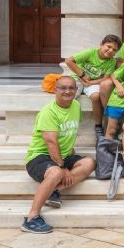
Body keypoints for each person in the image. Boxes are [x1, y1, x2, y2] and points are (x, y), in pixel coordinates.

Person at [22, 76, 96, 233]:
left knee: (89, 162)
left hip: (63, 155)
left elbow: (68, 135)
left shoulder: (75, 105)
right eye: (63, 88)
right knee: (55, 172)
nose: (67, 91)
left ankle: (54, 190)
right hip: (39, 157)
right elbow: (51, 143)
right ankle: (31, 217)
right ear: (55, 90)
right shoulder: (48, 112)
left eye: (71, 88)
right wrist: (62, 168)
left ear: (76, 91)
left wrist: (69, 157)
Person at [64, 34, 121, 138]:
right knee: (68, 94)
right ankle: (64, 121)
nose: (110, 50)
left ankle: (98, 126)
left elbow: (105, 78)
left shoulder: (111, 61)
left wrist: (90, 83)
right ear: (101, 44)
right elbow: (69, 61)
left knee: (95, 96)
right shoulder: (91, 52)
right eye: (108, 46)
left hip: (93, 82)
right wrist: (82, 75)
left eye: (114, 50)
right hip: (78, 77)